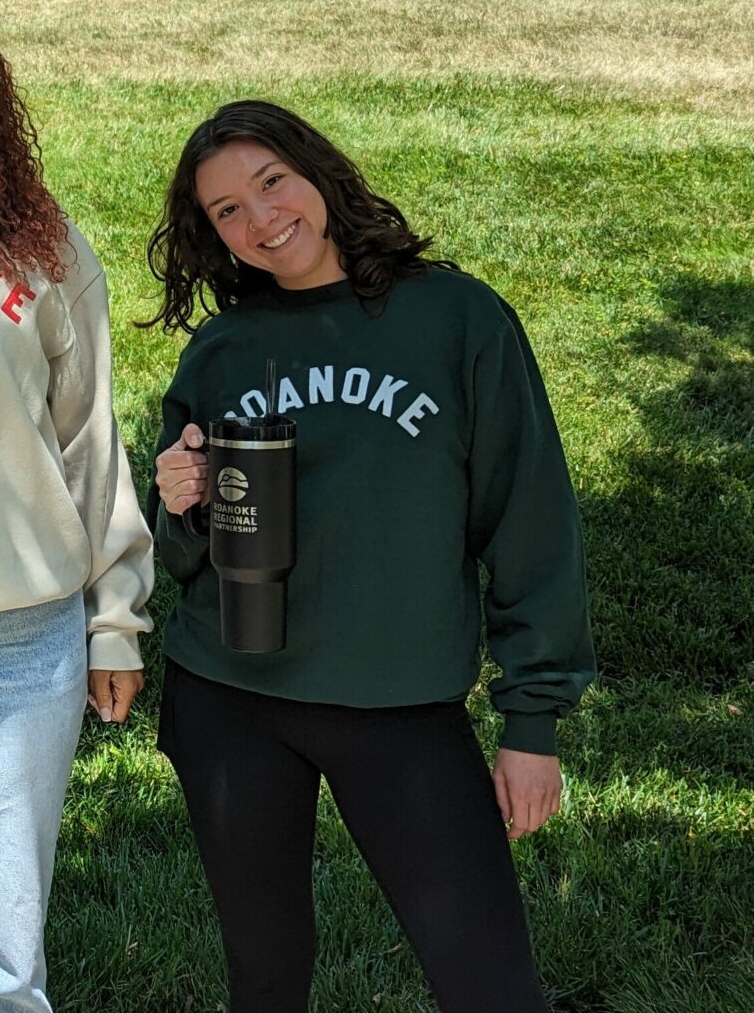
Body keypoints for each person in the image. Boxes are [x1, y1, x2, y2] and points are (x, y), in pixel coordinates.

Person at [147, 99, 596, 1013]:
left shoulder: (456, 319)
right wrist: (182, 503)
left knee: (490, 989)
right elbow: (186, 557)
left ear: (319, 172)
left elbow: (529, 521)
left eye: (270, 182)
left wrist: (530, 721)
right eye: (227, 210)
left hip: (399, 704)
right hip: (230, 700)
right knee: (266, 984)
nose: (261, 218)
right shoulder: (225, 350)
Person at [0, 23, 154, 1013]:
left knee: (6, 945)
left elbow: (91, 445)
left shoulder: (38, 247)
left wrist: (113, 621)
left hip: (23, 640)